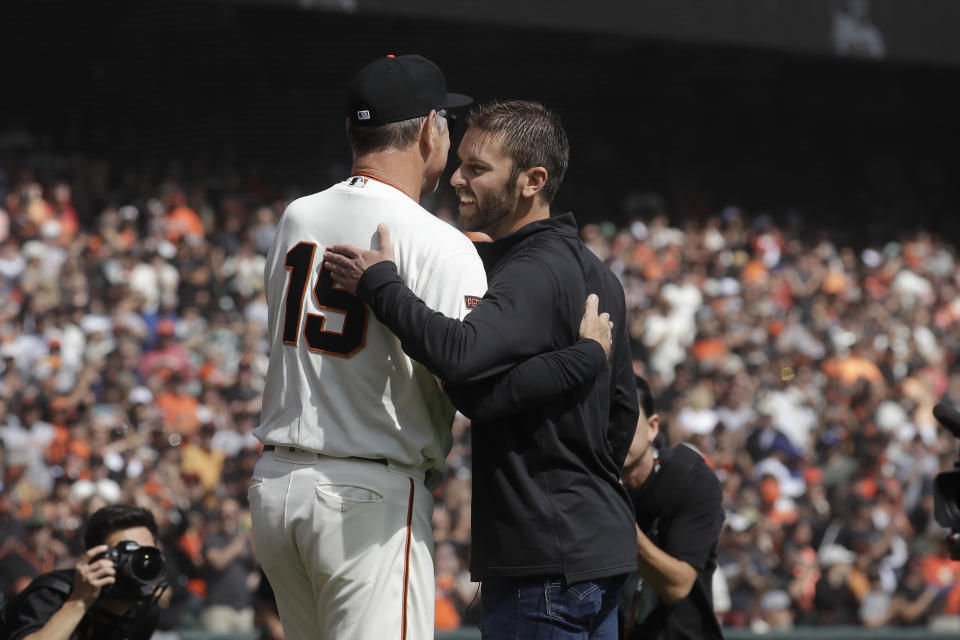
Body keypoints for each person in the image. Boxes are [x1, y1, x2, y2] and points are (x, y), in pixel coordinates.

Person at [324, 99, 639, 638]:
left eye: (477, 168)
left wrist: (382, 285)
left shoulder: (532, 269)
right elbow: (621, 419)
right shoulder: (599, 274)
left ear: (532, 180)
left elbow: (461, 357)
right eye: (460, 162)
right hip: (600, 549)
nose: (456, 179)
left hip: (541, 557)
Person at [248, 53, 487, 640]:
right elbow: (469, 378)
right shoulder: (440, 242)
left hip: (278, 488)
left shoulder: (298, 215)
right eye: (447, 124)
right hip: (366, 495)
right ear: (431, 128)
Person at [619, 375, 725, 639]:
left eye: (625, 416)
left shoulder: (689, 478)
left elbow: (677, 586)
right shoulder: (584, 482)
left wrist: (616, 516)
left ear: (653, 427)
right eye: (602, 419)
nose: (613, 430)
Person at [0, 504, 166, 640]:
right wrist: (79, 601)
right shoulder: (52, 594)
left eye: (147, 553)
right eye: (127, 554)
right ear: (95, 556)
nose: (141, 562)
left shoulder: (145, 609)